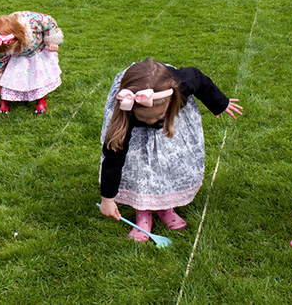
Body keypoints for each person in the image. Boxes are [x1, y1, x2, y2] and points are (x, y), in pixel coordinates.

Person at [98, 58, 242, 237]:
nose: (152, 122)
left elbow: (200, 79)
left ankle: (165, 207)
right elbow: (113, 156)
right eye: (145, 118)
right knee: (140, 167)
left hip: (171, 122)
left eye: (157, 116)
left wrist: (220, 102)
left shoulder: (182, 84)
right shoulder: (125, 115)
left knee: (168, 161)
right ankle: (143, 213)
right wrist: (107, 198)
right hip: (134, 127)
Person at [0, 11, 63, 115]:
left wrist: (52, 41)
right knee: (9, 76)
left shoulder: (34, 21)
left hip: (35, 53)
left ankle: (40, 99)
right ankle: (5, 100)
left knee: (37, 76)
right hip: (14, 58)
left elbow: (50, 23)